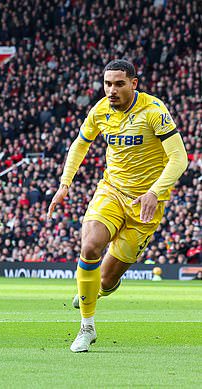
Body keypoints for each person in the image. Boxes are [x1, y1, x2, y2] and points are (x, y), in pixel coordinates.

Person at [48, 59, 188, 352]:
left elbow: (179, 158)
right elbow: (80, 143)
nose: (111, 90)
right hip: (111, 191)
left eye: (119, 84)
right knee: (89, 246)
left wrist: (153, 192)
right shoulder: (100, 110)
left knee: (106, 281)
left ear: (133, 84)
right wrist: (65, 183)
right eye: (107, 83)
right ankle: (87, 328)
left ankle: (96, 290)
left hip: (146, 204)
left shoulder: (154, 111)